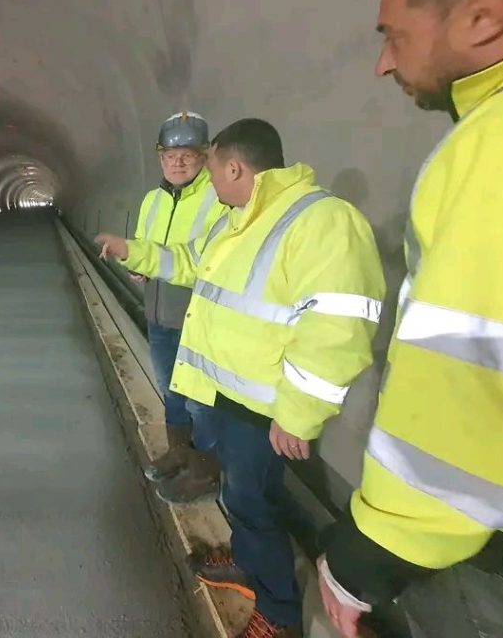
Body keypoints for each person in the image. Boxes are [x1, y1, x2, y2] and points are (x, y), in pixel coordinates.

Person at [318, 0, 503, 638]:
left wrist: (375, 548)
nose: (383, 63)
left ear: (481, 18)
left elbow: (474, 371)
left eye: (394, 35)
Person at [96, 118, 385, 638]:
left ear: (233, 167)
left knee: (254, 501)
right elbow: (190, 265)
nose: (207, 179)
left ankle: (277, 613)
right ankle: (248, 560)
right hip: (225, 395)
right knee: (239, 495)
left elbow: (338, 329)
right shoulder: (239, 220)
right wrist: (132, 251)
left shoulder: (321, 221)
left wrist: (298, 415)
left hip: (263, 405)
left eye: (210, 168)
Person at [132, 112, 226, 503]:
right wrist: (138, 265)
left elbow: (211, 260)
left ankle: (203, 471)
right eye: (169, 156)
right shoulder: (152, 200)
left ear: (205, 156)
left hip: (197, 316)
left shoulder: (218, 198)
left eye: (187, 155)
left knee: (200, 399)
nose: (177, 163)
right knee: (170, 389)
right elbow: (142, 245)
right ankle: (178, 453)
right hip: (158, 312)